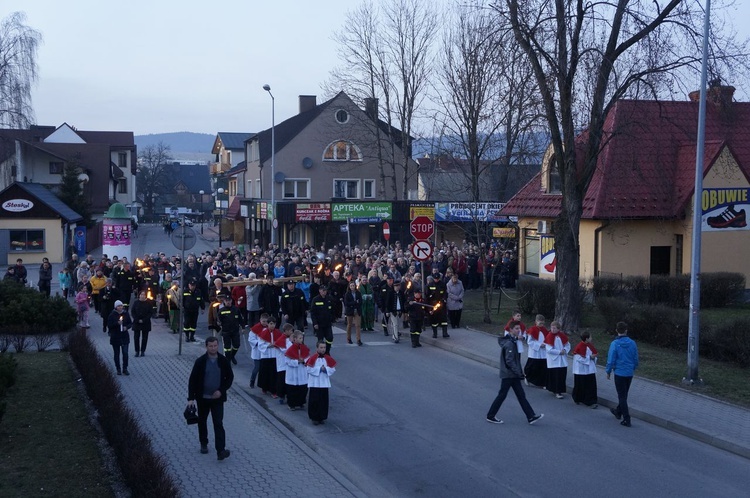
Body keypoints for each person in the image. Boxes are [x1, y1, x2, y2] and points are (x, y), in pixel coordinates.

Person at [485, 321, 544, 425]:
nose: (519, 330)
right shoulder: (509, 344)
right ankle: (490, 416)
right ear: (511, 330)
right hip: (509, 374)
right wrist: (520, 372)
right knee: (502, 395)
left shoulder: (512, 341)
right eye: (516, 328)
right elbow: (510, 361)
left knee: (521, 395)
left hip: (513, 374)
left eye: (519, 328)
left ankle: (531, 416)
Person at [187, 336, 234, 460]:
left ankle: (221, 450)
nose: (213, 348)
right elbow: (193, 380)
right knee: (202, 421)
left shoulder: (223, 361)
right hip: (203, 398)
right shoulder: (200, 362)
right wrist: (190, 398)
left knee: (218, 423)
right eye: (210, 346)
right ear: (206, 347)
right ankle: (204, 443)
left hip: (217, 399)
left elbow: (229, 378)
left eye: (215, 346)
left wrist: (221, 391)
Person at [606, 321, 639, 427]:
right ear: (626, 330)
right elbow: (635, 358)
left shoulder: (615, 344)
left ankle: (626, 418)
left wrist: (608, 371)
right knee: (624, 394)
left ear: (616, 331)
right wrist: (633, 367)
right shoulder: (632, 343)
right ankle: (618, 411)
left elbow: (611, 359)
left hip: (619, 373)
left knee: (622, 396)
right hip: (629, 373)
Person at [306, 340, 337, 425]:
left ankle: (322, 417)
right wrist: (319, 369)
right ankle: (314, 417)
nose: (323, 349)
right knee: (314, 400)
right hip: (315, 383)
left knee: (323, 401)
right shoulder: (313, 358)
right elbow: (308, 369)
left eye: (324, 348)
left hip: (323, 382)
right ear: (317, 348)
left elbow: (332, 369)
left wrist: (326, 369)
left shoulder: (327, 358)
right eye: (321, 347)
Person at [544, 320, 571, 399]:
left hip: (562, 359)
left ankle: (559, 390)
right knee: (555, 376)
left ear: (558, 329)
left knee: (561, 375)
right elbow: (549, 349)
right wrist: (559, 352)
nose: (553, 330)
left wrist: (565, 350)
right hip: (554, 360)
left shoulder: (562, 335)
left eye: (555, 328)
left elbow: (567, 345)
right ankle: (556, 391)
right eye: (552, 328)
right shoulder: (549, 336)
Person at [284, 330, 310, 411]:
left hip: (302, 370)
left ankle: (301, 402)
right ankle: (291, 404)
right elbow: (287, 361)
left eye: (302, 338)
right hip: (293, 371)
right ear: (294, 339)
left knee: (302, 388)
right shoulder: (290, 349)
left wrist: (304, 361)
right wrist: (296, 361)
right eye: (299, 338)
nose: (301, 340)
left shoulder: (304, 348)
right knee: (292, 389)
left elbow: (308, 358)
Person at [572, 331, 599, 408]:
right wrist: (590, 357)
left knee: (590, 386)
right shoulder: (579, 346)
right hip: (581, 369)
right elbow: (578, 357)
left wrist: (594, 357)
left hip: (589, 369)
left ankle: (590, 401)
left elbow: (594, 354)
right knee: (580, 385)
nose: (591, 338)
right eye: (590, 337)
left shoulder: (589, 345)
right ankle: (578, 398)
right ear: (586, 339)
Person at [217, 294, 244, 365]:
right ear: (224, 301)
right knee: (227, 348)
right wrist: (218, 323)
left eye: (229, 300)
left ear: (231, 301)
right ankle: (228, 360)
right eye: (226, 301)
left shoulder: (236, 309)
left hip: (235, 331)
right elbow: (218, 320)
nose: (228, 302)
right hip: (226, 332)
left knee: (236, 345)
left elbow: (240, 319)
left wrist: (243, 327)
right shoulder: (221, 310)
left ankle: (232, 356)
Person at [107, 300, 133, 375]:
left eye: (121, 306)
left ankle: (125, 368)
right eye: (118, 306)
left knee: (125, 353)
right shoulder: (112, 315)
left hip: (124, 336)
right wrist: (117, 323)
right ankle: (118, 368)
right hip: (115, 337)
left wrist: (126, 327)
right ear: (115, 307)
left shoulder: (126, 313)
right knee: (116, 354)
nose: (120, 307)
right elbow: (109, 325)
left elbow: (130, 323)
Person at [257, 317, 280, 396]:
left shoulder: (277, 332)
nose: (272, 325)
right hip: (266, 355)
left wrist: (276, 344)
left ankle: (274, 391)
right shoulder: (263, 333)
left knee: (274, 374)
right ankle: (264, 387)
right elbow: (260, 344)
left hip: (274, 355)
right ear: (267, 324)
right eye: (270, 324)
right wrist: (268, 345)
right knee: (265, 373)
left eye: (274, 324)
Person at [523, 314, 548, 387]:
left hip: (543, 352)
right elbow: (530, 341)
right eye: (540, 323)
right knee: (533, 367)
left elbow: (547, 339)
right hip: (535, 352)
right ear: (536, 322)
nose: (542, 325)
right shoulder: (532, 330)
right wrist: (539, 345)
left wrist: (545, 344)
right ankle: (528, 377)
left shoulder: (544, 330)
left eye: (543, 323)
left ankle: (542, 382)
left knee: (542, 368)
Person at [310, 285, 334, 354]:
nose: (324, 292)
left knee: (330, 338)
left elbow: (332, 310)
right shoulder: (315, 299)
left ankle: (327, 352)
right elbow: (313, 313)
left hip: (327, 323)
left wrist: (332, 319)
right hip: (319, 324)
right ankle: (320, 353)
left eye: (325, 290)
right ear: (319, 291)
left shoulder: (329, 299)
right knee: (320, 340)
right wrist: (315, 323)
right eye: (323, 290)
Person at [130, 290, 154, 357]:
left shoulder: (148, 303)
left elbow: (150, 313)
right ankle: (137, 351)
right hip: (137, 322)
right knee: (136, 338)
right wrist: (137, 319)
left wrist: (144, 320)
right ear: (139, 295)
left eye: (144, 295)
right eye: (141, 294)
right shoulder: (136, 303)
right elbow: (133, 312)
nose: (142, 296)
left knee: (145, 338)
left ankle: (143, 351)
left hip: (145, 323)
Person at [183, 278, 205, 342]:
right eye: (191, 285)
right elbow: (182, 300)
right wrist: (182, 307)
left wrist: (202, 308)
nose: (192, 287)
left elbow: (201, 300)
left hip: (195, 310)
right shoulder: (185, 292)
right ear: (189, 285)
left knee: (193, 324)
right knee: (186, 323)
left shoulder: (198, 292)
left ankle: (192, 336)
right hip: (187, 310)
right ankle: (187, 336)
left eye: (193, 285)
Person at [343, 280, 363, 346]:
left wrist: (355, 303)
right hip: (350, 311)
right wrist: (354, 302)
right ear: (349, 286)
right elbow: (346, 303)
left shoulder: (358, 293)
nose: (352, 287)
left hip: (357, 310)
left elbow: (360, 302)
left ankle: (358, 339)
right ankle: (349, 338)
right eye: (351, 286)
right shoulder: (347, 294)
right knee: (349, 325)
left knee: (358, 325)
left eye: (353, 286)